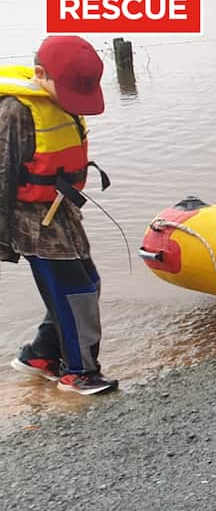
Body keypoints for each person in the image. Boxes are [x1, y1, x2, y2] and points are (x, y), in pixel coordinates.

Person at [1, 35, 117, 395]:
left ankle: (41, 355)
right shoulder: (15, 111)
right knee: (75, 292)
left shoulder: (60, 100)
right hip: (33, 224)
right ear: (40, 74)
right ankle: (79, 372)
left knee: (89, 284)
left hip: (62, 213)